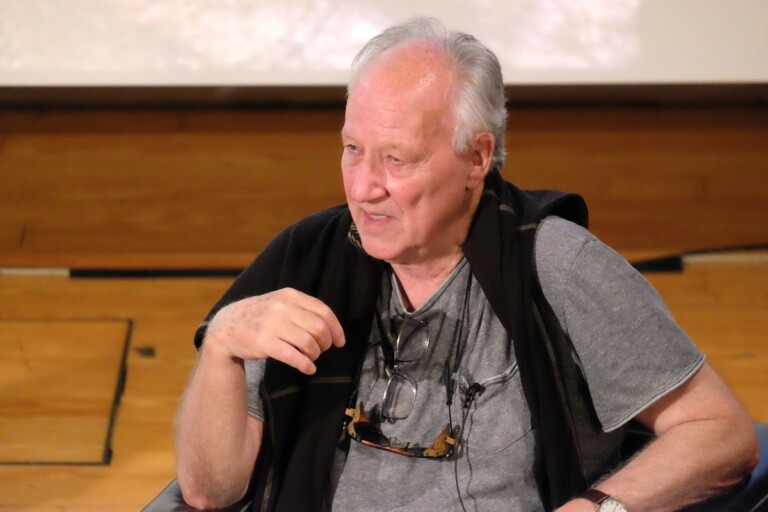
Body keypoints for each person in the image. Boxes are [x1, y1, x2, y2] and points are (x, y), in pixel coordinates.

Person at [174, 17, 759, 512]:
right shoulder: (306, 258)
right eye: (352, 150)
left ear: (477, 156)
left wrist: (598, 508)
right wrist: (221, 346)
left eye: (397, 159)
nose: (364, 187)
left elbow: (721, 436)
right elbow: (208, 490)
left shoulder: (558, 267)